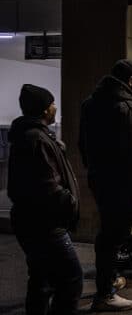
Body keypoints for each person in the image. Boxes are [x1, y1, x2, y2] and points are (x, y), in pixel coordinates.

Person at [79, 59, 132, 311]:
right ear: (131, 80)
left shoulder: (90, 103)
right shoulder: (126, 107)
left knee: (108, 233)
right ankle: (105, 292)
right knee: (113, 236)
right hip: (122, 184)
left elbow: (82, 144)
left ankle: (108, 279)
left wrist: (95, 171)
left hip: (100, 179)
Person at [8, 84, 82, 315]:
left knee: (41, 280)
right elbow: (48, 187)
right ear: (43, 109)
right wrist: (69, 203)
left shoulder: (33, 136)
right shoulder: (35, 139)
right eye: (51, 104)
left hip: (33, 221)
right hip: (45, 224)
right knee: (71, 278)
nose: (55, 107)